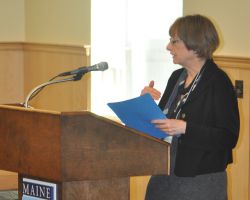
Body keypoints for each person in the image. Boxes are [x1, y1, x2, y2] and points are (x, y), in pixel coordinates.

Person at [141, 14, 240, 200]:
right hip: (163, 175)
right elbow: (161, 125)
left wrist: (186, 128)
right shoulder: (176, 77)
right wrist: (144, 104)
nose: (168, 47)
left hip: (201, 181)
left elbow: (228, 137)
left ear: (195, 44)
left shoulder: (218, 82)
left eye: (174, 41)